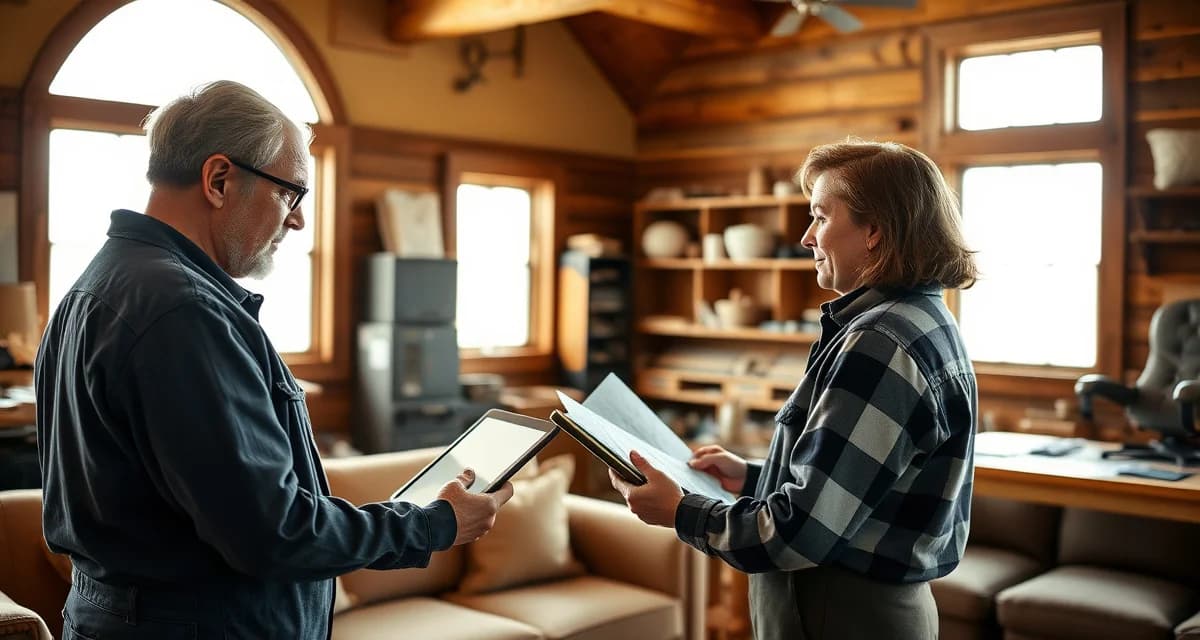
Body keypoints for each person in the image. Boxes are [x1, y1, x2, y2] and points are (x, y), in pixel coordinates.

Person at [35, 80, 513, 639]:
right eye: (292, 193)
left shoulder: (94, 286)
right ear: (219, 180)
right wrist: (435, 524)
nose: (298, 221)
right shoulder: (183, 311)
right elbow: (273, 532)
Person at [611, 140, 979, 639]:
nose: (806, 237)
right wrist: (752, 477)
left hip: (841, 616)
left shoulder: (879, 343)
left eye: (821, 218)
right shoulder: (925, 319)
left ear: (875, 232)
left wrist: (680, 511)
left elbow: (801, 533)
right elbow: (862, 483)